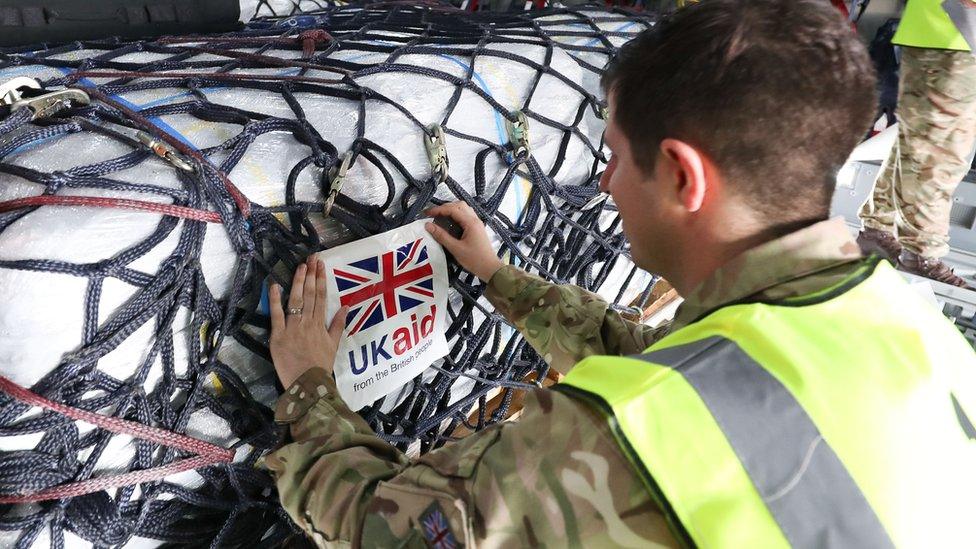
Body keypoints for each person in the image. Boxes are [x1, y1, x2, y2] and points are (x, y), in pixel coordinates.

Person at [263, 1, 976, 546]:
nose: (603, 183)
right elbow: (695, 384)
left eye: (614, 154)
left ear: (678, 175)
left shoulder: (613, 436)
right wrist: (500, 277)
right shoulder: (911, 330)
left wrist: (309, 391)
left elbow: (388, 531)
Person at [857, 0, 976, 288]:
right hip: (957, 30)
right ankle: (921, 254)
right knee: (940, 151)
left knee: (917, 143)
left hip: (941, 31)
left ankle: (878, 231)